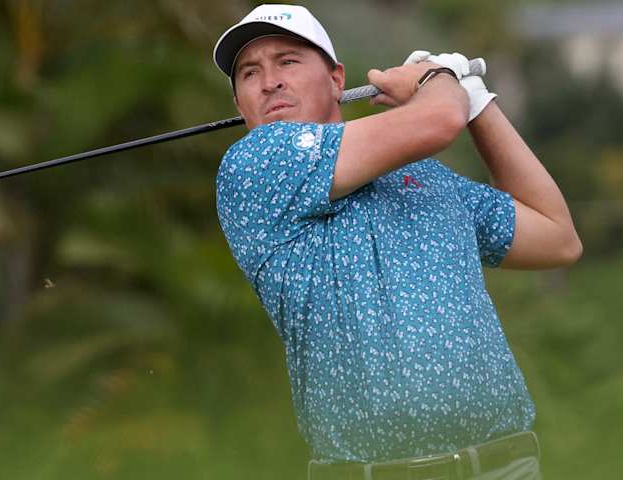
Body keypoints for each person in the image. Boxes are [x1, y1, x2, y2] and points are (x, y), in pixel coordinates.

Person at [212, 4, 582, 480]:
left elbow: (557, 238)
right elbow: (437, 123)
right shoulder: (256, 165)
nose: (270, 81)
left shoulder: (428, 179)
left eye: (288, 61)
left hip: (503, 465)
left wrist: (478, 103)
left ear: (336, 80)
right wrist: (440, 80)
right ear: (241, 104)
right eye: (249, 72)